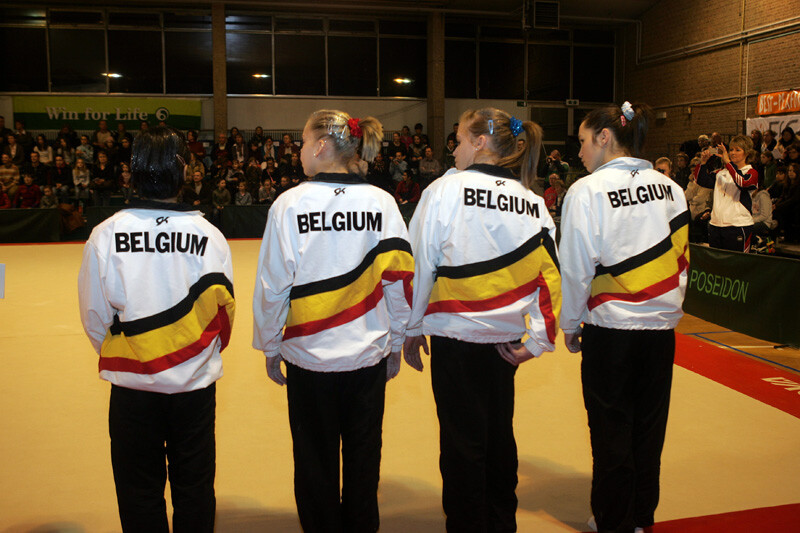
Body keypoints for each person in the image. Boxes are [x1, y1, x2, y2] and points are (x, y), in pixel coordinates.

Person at [253, 109, 413, 533]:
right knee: (364, 460)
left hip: (310, 358)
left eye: (303, 143)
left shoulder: (289, 205)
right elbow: (400, 281)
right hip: (366, 356)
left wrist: (270, 345)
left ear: (321, 146)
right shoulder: (382, 203)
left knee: (314, 464)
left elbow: (272, 286)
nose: (299, 152)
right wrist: (397, 341)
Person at [403, 108, 560, 532]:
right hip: (505, 342)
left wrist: (411, 328)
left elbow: (420, 264)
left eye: (457, 140)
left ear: (480, 142)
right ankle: (501, 523)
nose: (452, 149)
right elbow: (550, 275)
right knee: (498, 438)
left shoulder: (444, 190)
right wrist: (538, 340)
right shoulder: (531, 201)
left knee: (462, 445)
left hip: (455, 336)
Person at [78, 125, 235, 533]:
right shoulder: (210, 237)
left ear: (132, 172)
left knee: (138, 491)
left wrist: (131, 353)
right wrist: (193, 355)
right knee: (194, 487)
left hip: (133, 387)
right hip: (193, 385)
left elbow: (94, 317)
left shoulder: (105, 235)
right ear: (183, 172)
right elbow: (223, 316)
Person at [559, 101, 689, 533]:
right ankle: (640, 515)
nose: (579, 152)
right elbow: (682, 260)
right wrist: (668, 310)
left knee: (611, 428)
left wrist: (570, 322)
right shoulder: (671, 189)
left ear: (604, 137)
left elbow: (575, 267)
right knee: (649, 427)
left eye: (582, 141)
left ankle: (614, 519)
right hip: (659, 330)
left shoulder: (586, 191)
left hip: (611, 327)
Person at [695, 134, 758, 252]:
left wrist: (728, 163)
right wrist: (703, 163)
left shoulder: (751, 172)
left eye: (738, 150)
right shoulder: (721, 172)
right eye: (731, 150)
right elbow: (700, 180)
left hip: (738, 225)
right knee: (717, 262)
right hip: (716, 225)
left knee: (737, 262)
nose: (733, 153)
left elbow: (743, 183)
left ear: (747, 153)